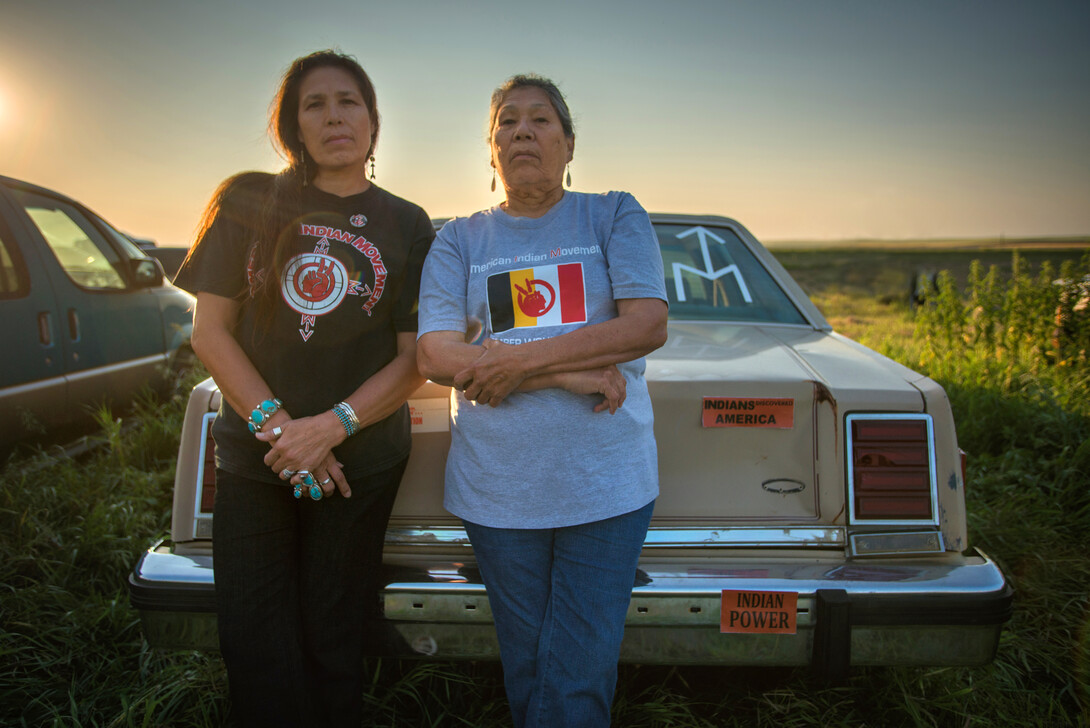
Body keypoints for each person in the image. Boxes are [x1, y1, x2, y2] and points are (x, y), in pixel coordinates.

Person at [172, 50, 434, 727]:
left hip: (359, 464)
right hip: (260, 458)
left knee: (333, 633)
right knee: (255, 640)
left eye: (348, 101)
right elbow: (210, 332)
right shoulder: (251, 200)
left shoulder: (407, 222)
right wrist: (286, 430)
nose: (334, 116)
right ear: (293, 123)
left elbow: (416, 359)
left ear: (373, 121)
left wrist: (329, 429)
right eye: (314, 104)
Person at [416, 74, 668, 728]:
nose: (523, 131)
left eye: (541, 120)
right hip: (497, 490)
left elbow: (645, 324)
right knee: (530, 662)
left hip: (606, 485)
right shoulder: (459, 239)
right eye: (507, 122)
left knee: (578, 670)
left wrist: (522, 360)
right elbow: (436, 355)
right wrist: (563, 375)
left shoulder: (613, 214)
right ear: (490, 149)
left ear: (570, 143)